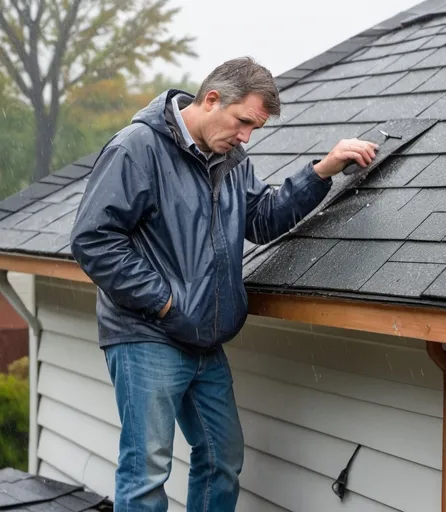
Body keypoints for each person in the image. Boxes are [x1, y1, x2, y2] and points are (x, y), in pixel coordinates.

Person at [70, 56, 378, 512]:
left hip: (205, 341)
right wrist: (164, 303)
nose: (245, 137)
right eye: (243, 122)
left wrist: (323, 170)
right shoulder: (137, 148)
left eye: (254, 128)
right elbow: (92, 239)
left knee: (222, 458)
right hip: (147, 337)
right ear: (212, 99)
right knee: (147, 472)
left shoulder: (230, 160)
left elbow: (262, 218)